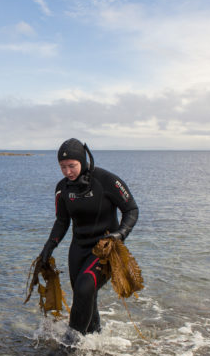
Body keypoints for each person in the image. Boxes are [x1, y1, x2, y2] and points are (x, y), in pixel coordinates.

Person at [39, 138, 138, 342]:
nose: (67, 172)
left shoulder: (106, 180)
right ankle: (95, 342)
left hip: (105, 249)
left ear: (82, 161)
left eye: (72, 166)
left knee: (85, 289)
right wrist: (48, 247)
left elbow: (131, 209)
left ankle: (70, 344)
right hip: (78, 249)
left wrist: (120, 234)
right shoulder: (62, 189)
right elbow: (62, 221)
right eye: (62, 167)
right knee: (84, 296)